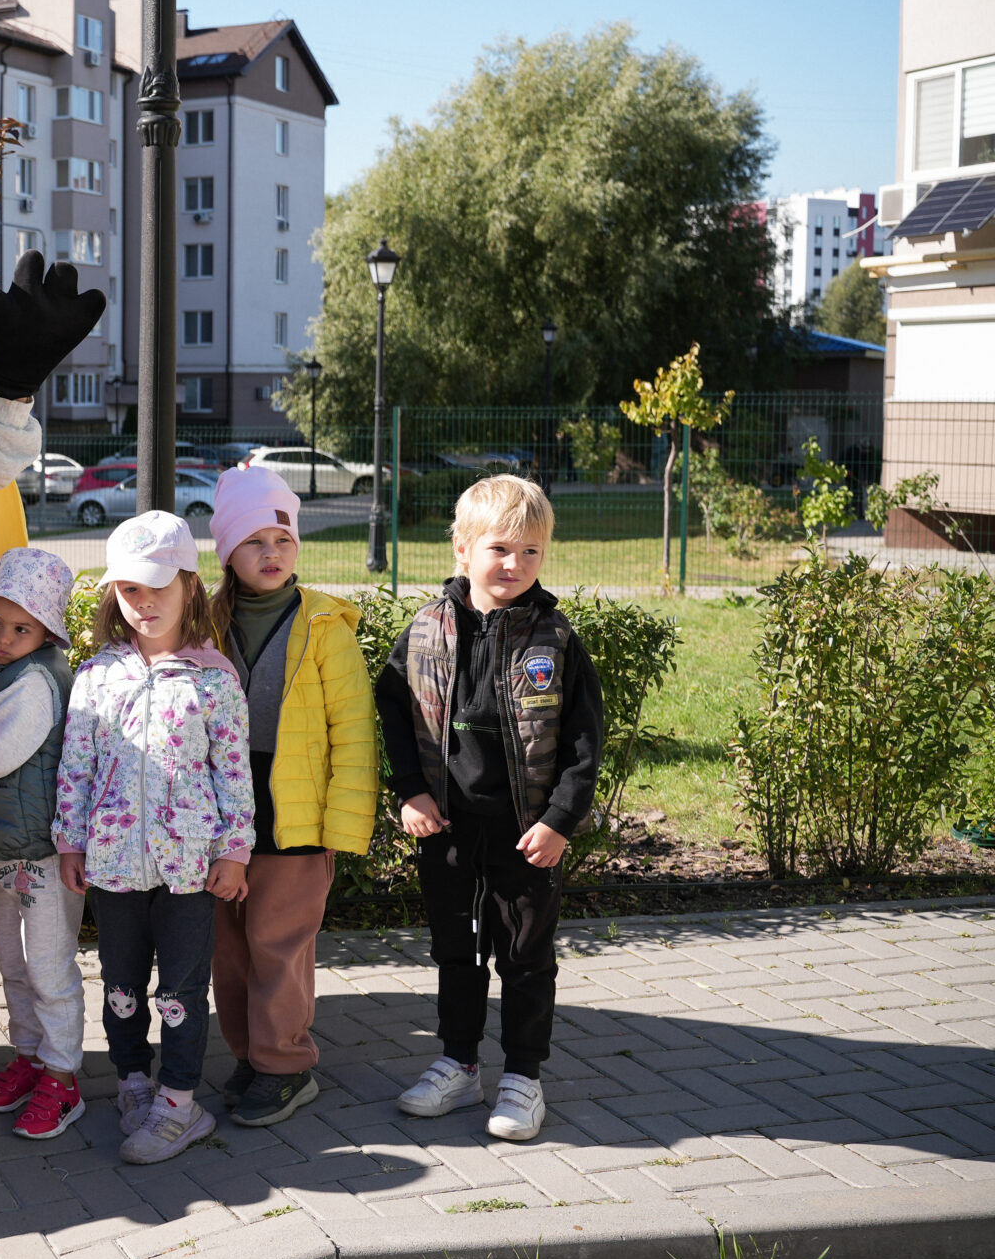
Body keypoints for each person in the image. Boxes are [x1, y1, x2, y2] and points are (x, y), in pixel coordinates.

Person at [375, 475, 601, 1144]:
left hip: (526, 833)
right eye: (500, 548)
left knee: (525, 955)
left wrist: (560, 819)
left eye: (531, 551)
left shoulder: (554, 637)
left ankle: (523, 1075)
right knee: (457, 950)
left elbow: (584, 738)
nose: (514, 564)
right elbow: (393, 712)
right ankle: (459, 1063)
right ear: (462, 548)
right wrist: (409, 791)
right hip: (447, 827)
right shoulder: (425, 628)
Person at [53, 511, 255, 1167]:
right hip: (113, 865)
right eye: (129, 588)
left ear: (190, 585)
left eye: (157, 586)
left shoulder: (213, 679)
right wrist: (71, 840)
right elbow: (76, 766)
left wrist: (234, 850)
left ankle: (179, 1102)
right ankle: (133, 1081)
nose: (143, 602)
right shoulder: (97, 676)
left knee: (180, 992)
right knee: (119, 983)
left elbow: (233, 772)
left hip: (189, 869)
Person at [203, 467, 378, 1130]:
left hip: (296, 822)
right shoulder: (206, 622)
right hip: (220, 819)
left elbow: (353, 730)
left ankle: (285, 1065)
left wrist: (343, 825)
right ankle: (249, 1055)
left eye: (283, 539)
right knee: (229, 949)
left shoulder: (325, 625)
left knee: (278, 945)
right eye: (254, 541)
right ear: (227, 552)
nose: (271, 552)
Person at [0, 547, 84, 1140]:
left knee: (48, 969)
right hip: (7, 849)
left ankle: (62, 1076)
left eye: (20, 628)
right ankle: (30, 1058)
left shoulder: (35, 682)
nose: (2, 638)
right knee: (13, 963)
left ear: (46, 633)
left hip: (43, 854)